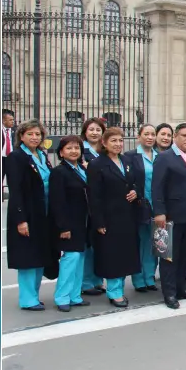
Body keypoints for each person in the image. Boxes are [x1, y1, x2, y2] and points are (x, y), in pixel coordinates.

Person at [151, 123, 186, 309]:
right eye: (185, 136)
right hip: (171, 217)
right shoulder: (165, 158)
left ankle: (182, 287)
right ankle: (170, 293)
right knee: (169, 257)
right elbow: (157, 187)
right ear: (175, 136)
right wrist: (159, 212)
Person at [87, 127, 141, 308]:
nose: (118, 144)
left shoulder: (126, 160)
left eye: (120, 140)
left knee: (125, 254)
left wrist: (135, 192)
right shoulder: (97, 164)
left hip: (127, 215)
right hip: (109, 217)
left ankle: (119, 287)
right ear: (104, 143)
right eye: (113, 141)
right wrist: (99, 221)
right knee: (112, 255)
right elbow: (94, 196)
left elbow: (133, 182)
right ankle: (114, 292)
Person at [5, 120, 54, 311]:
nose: (35, 137)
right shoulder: (16, 157)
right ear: (21, 136)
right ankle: (27, 298)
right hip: (27, 213)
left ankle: (34, 294)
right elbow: (16, 190)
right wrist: (21, 219)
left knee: (39, 255)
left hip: (44, 212)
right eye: (30, 134)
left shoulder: (42, 155)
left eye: (38, 134)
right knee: (27, 257)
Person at [48, 135, 91, 311]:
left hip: (83, 222)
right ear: (61, 152)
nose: (74, 151)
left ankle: (75, 295)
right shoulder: (59, 172)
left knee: (79, 259)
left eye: (77, 148)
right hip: (69, 224)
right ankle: (62, 297)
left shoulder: (81, 168)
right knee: (70, 259)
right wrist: (63, 227)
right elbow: (57, 201)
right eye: (69, 148)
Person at [125, 125, 159, 293]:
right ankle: (138, 279)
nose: (150, 137)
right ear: (139, 136)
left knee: (156, 242)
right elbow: (127, 179)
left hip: (158, 206)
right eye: (146, 134)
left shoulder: (160, 156)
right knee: (140, 242)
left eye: (153, 134)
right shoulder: (130, 156)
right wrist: (135, 192)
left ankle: (150, 276)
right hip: (139, 205)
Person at [79, 117, 107, 295]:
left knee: (101, 244)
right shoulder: (80, 150)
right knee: (88, 245)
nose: (95, 133)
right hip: (87, 203)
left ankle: (98, 279)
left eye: (98, 129)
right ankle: (86, 282)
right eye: (91, 129)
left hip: (105, 203)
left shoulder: (105, 152)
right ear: (85, 132)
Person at [2, 109, 15, 185]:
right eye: (10, 120)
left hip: (11, 158)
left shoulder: (15, 130)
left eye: (13, 119)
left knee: (13, 180)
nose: (12, 121)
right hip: (1, 159)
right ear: (4, 121)